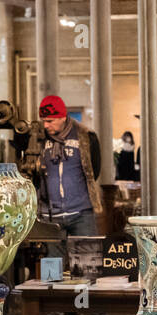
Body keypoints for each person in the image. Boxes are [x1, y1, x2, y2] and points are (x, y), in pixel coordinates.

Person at [37, 94, 102, 236]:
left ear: (62, 117)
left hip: (82, 214)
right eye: (43, 121)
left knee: (86, 256)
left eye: (50, 121)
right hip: (50, 215)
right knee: (53, 259)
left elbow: (94, 170)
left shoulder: (86, 136)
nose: (46, 125)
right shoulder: (38, 138)